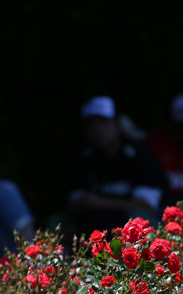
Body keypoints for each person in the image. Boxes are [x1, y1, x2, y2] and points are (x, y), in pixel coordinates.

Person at [65, 96, 168, 236]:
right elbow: (75, 204)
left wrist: (99, 203)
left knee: (137, 217)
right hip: (96, 230)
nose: (98, 130)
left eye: (103, 122)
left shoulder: (139, 155)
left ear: (117, 124)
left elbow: (146, 207)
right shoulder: (85, 159)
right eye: (92, 125)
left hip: (134, 234)